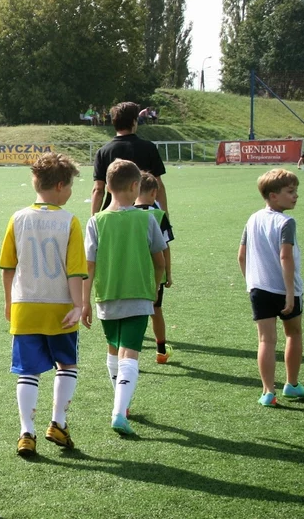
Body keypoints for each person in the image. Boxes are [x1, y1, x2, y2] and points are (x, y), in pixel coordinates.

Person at [0, 153, 88, 457]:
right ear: (61, 185)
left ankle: (26, 432)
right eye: (72, 185)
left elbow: (8, 267)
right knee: (67, 363)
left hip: (25, 305)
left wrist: (9, 301)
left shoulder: (18, 217)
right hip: (60, 306)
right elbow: (75, 269)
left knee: (28, 371)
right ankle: (58, 423)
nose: (72, 192)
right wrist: (79, 305)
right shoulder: (70, 221)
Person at [84, 160, 167, 436]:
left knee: (113, 348)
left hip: (106, 295)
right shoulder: (148, 219)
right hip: (139, 294)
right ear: (136, 186)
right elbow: (159, 260)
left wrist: (84, 301)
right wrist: (156, 284)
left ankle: (123, 404)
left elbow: (89, 266)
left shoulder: (96, 221)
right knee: (129, 351)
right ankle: (119, 411)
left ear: (107, 187)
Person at [238, 169, 304, 406]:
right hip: (284, 290)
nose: (296, 196)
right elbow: (286, 258)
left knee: (266, 341)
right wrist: (290, 293)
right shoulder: (286, 222)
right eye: (290, 192)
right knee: (293, 333)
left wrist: (250, 283)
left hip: (259, 289)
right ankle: (291, 385)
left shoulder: (253, 219)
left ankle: (267, 392)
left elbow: (242, 256)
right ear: (273, 196)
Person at [91, 102, 169, 216]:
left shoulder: (103, 152)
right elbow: (159, 185)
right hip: (144, 213)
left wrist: (94, 218)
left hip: (113, 213)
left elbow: (98, 189)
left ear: (114, 122)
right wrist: (165, 214)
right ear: (134, 122)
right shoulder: (149, 148)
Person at [135, 172, 175, 363]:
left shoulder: (125, 214)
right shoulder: (159, 215)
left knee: (132, 313)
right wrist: (168, 274)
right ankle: (160, 350)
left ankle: (129, 354)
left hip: (132, 272)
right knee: (155, 310)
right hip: (153, 274)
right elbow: (165, 248)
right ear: (154, 193)